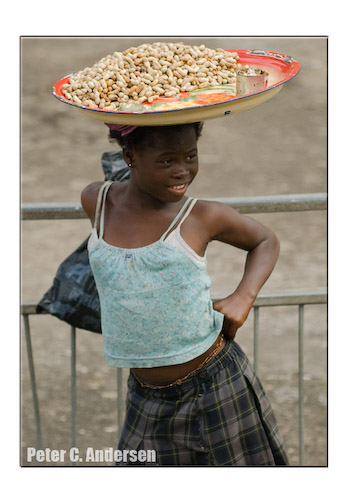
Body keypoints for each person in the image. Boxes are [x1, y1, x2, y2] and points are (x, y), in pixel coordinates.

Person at [81, 121, 288, 466]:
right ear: (130, 155)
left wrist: (243, 296)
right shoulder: (97, 201)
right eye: (166, 161)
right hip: (145, 395)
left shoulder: (201, 216)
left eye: (190, 156)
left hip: (214, 387)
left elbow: (266, 240)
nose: (183, 170)